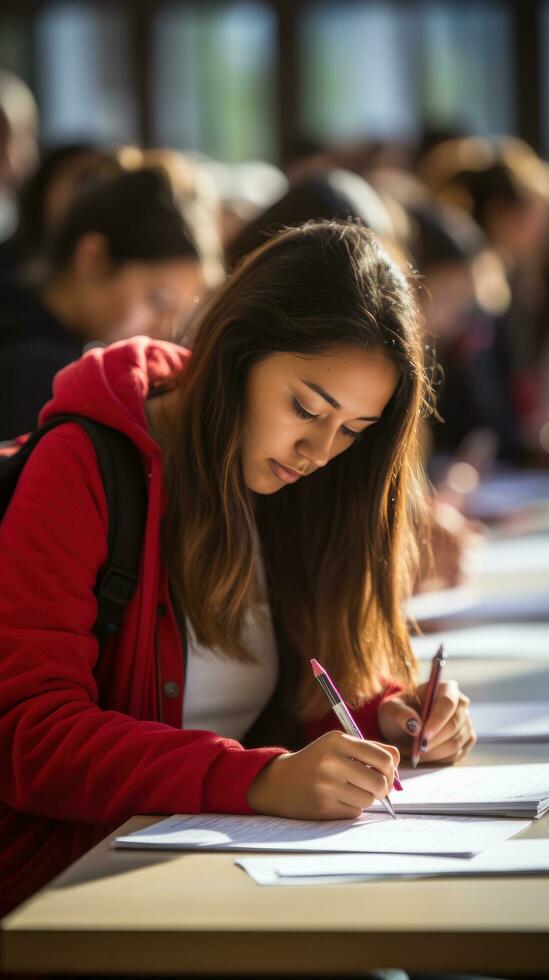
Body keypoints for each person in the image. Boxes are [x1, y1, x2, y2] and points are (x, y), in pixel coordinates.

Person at [0, 221, 475, 916]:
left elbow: (304, 685)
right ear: (234, 353)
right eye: (305, 408)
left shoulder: (299, 485)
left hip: (221, 883)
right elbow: (29, 735)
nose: (318, 449)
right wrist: (258, 781)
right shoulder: (83, 464)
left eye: (351, 432)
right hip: (73, 901)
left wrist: (386, 717)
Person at [0, 167, 205, 439]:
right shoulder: (40, 369)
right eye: (157, 301)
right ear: (93, 258)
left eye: (179, 313)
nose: (165, 331)